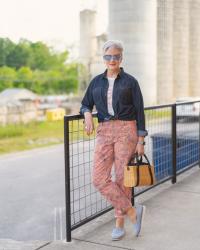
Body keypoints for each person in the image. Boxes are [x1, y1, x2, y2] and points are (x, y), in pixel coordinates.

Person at [80, 40, 148, 240]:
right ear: (104, 59)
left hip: (127, 130)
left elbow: (140, 111)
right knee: (99, 179)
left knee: (121, 177)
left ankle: (119, 223)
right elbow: (85, 104)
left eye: (116, 56)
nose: (112, 60)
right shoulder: (96, 82)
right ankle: (132, 212)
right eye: (108, 56)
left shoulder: (131, 82)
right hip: (104, 130)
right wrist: (87, 115)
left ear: (121, 58)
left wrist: (141, 140)